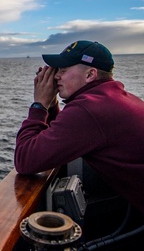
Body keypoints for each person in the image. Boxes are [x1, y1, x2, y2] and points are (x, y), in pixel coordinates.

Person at [14, 40, 144, 213]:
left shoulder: (89, 109)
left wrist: (40, 105)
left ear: (90, 74)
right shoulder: (110, 98)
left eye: (63, 70)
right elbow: (64, 136)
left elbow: (25, 160)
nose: (56, 76)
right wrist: (52, 104)